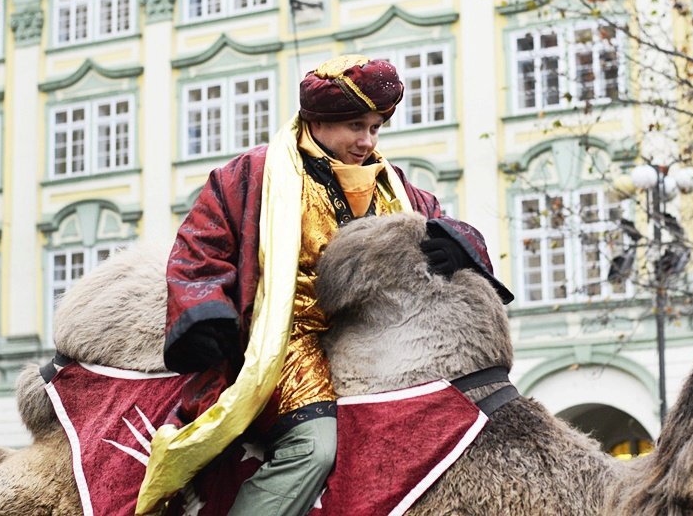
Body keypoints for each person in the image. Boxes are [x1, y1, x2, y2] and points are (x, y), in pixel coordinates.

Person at [160, 54, 513, 516]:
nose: (367, 141)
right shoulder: (248, 176)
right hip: (289, 343)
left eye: (376, 127)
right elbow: (198, 249)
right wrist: (203, 310)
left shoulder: (397, 187)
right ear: (316, 121)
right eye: (355, 126)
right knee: (316, 448)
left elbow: (440, 221)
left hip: (377, 343)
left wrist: (461, 243)